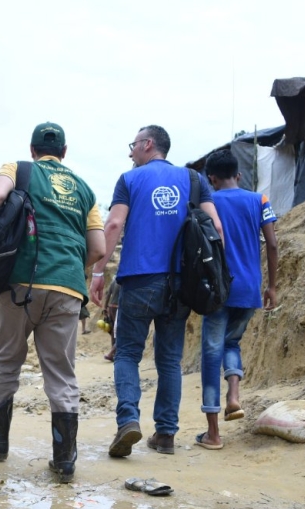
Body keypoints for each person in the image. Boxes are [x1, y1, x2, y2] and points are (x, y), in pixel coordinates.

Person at [0, 122, 105, 483]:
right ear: (64, 153)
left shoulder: (18, 169)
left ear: (32, 150)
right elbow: (98, 249)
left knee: (6, 359)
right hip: (67, 287)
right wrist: (67, 272)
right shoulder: (84, 189)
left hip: (19, 283)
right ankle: (64, 459)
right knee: (61, 372)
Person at [89, 125, 222, 458]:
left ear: (148, 145)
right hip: (181, 283)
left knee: (128, 354)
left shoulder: (129, 180)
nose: (131, 152)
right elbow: (215, 227)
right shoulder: (194, 180)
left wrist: (97, 270)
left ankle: (129, 421)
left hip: (139, 280)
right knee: (169, 361)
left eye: (133, 145)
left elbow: (115, 224)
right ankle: (165, 435)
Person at [195, 149, 278, 450]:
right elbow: (272, 244)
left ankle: (213, 433)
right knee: (232, 344)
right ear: (239, 175)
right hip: (249, 290)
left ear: (211, 179)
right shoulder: (260, 200)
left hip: (217, 289)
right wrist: (272, 287)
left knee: (210, 355)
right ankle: (233, 396)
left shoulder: (207, 203)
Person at [102, 278, 121, 362]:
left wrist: (104, 308)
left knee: (114, 330)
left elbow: (108, 294)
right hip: (119, 308)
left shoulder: (114, 280)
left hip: (111, 307)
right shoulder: (124, 280)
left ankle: (114, 352)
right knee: (121, 331)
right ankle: (112, 353)